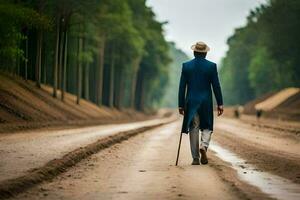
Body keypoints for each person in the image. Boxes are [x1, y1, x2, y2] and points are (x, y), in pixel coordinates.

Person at [178, 41, 224, 165]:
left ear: (194, 52)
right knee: (207, 126)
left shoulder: (186, 66)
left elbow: (182, 87)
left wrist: (180, 104)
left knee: (193, 127)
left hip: (191, 102)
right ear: (205, 54)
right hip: (206, 102)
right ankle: (204, 146)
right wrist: (220, 103)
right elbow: (216, 86)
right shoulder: (211, 66)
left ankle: (195, 158)